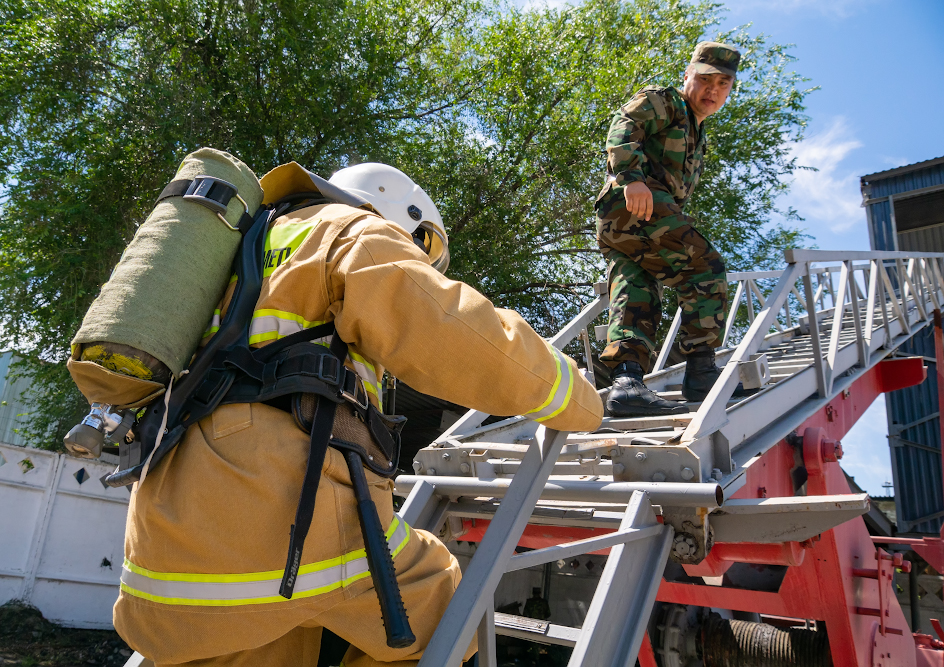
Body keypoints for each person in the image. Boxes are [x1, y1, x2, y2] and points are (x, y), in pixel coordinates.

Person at [110, 161, 603, 666]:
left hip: (159, 571)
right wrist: (578, 399)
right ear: (398, 214)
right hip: (283, 533)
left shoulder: (233, 256)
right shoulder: (349, 231)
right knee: (446, 606)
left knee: (267, 636)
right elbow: (461, 336)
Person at [594, 42, 741, 417]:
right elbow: (625, 124)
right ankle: (702, 371)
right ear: (687, 76)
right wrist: (631, 178)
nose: (713, 90)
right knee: (705, 269)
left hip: (627, 222)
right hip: (635, 203)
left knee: (636, 291)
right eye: (706, 79)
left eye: (723, 83)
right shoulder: (667, 102)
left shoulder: (697, 133)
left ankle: (627, 383)